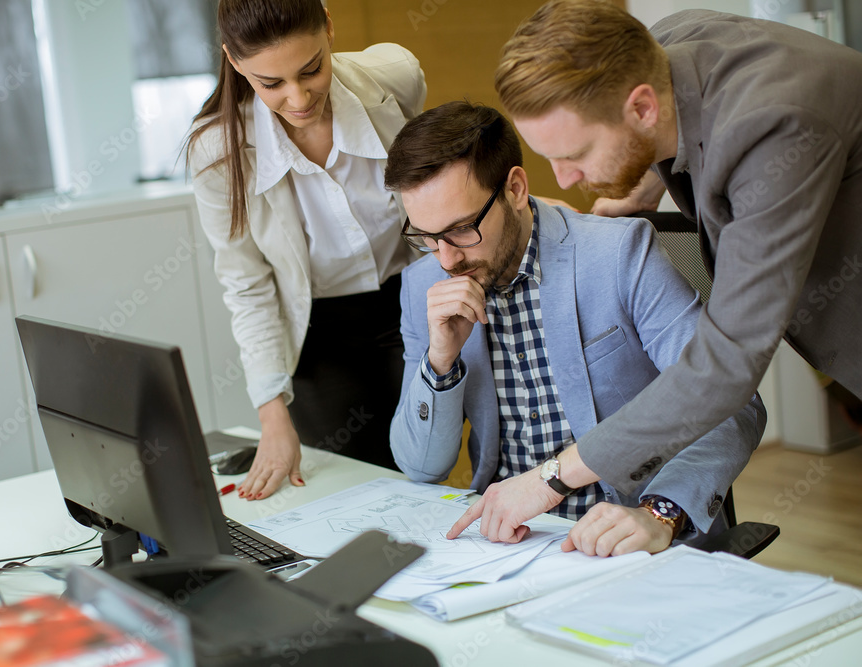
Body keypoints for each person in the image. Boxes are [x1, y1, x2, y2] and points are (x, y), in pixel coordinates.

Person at [483, 0, 862, 531]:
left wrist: (552, 477)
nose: (564, 179)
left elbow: (725, 365)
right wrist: (638, 184)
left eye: (576, 154)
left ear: (641, 108)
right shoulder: (667, 47)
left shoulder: (776, 125)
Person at [384, 102, 765, 553]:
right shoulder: (423, 286)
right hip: (506, 542)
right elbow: (421, 467)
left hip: (625, 530)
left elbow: (732, 402)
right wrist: (440, 362)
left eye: (463, 229)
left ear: (515, 189)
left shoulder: (618, 254)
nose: (446, 259)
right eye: (426, 238)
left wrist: (658, 512)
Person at [186, 0, 426, 500]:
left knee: (428, 468)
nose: (298, 98)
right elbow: (247, 285)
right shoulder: (217, 153)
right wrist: (271, 414)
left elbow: (436, 185)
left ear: (329, 29)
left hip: (413, 299)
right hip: (319, 331)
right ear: (233, 61)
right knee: (357, 484)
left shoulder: (396, 77)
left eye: (311, 69)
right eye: (271, 83)